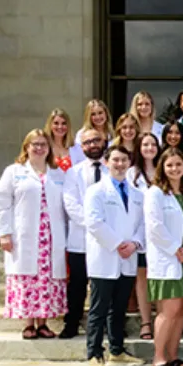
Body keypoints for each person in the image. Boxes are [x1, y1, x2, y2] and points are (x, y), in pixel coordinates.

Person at [0, 130, 67, 339]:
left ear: (49, 149)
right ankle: (28, 323)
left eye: (43, 145)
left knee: (46, 279)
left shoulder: (57, 173)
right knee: (28, 279)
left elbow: (66, 206)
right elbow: (3, 204)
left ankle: (43, 323)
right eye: (34, 144)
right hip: (25, 234)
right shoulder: (14, 171)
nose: (39, 148)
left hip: (51, 236)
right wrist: (4, 233)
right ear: (26, 147)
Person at [83, 145, 145, 366]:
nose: (120, 165)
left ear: (130, 163)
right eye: (115, 160)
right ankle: (94, 353)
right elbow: (94, 222)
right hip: (105, 257)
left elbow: (142, 225)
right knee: (99, 309)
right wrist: (118, 244)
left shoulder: (138, 194)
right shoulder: (96, 191)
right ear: (107, 162)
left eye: (124, 161)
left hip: (127, 259)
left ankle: (117, 351)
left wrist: (135, 244)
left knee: (118, 310)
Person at [144, 148, 183, 366]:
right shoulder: (156, 193)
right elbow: (155, 226)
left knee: (180, 310)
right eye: (170, 165)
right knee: (168, 310)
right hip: (168, 259)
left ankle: (174, 355)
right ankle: (159, 357)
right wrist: (176, 250)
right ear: (162, 168)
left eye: (178, 164)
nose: (174, 169)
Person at [60, 129, 109, 339]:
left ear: (104, 141)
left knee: (105, 284)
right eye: (87, 142)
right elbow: (71, 204)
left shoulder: (113, 169)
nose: (93, 145)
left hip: (108, 239)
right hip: (81, 238)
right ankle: (72, 323)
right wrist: (94, 226)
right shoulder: (73, 172)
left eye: (96, 140)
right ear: (82, 147)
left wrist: (105, 230)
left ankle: (108, 324)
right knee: (77, 284)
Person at [125, 131, 161, 340]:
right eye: (145, 145)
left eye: (153, 145)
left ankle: (162, 319)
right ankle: (146, 322)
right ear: (139, 148)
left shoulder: (164, 170)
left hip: (161, 235)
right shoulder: (132, 174)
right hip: (139, 233)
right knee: (142, 279)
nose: (149, 148)